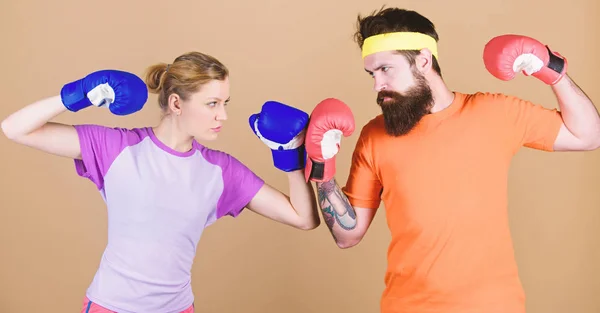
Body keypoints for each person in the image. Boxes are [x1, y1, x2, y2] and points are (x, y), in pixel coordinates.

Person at [302, 7, 600, 313]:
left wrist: (550, 67)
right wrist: (322, 170)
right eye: (372, 74)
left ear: (423, 60)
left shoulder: (494, 113)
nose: (377, 85)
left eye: (386, 69)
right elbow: (347, 235)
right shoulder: (374, 136)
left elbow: (588, 136)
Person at [0, 51, 320, 313]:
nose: (222, 115)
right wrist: (79, 92)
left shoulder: (220, 171)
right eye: (212, 104)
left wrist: (289, 156)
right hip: (111, 306)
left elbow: (303, 218)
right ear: (177, 104)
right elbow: (15, 128)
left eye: (225, 103)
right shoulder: (117, 148)